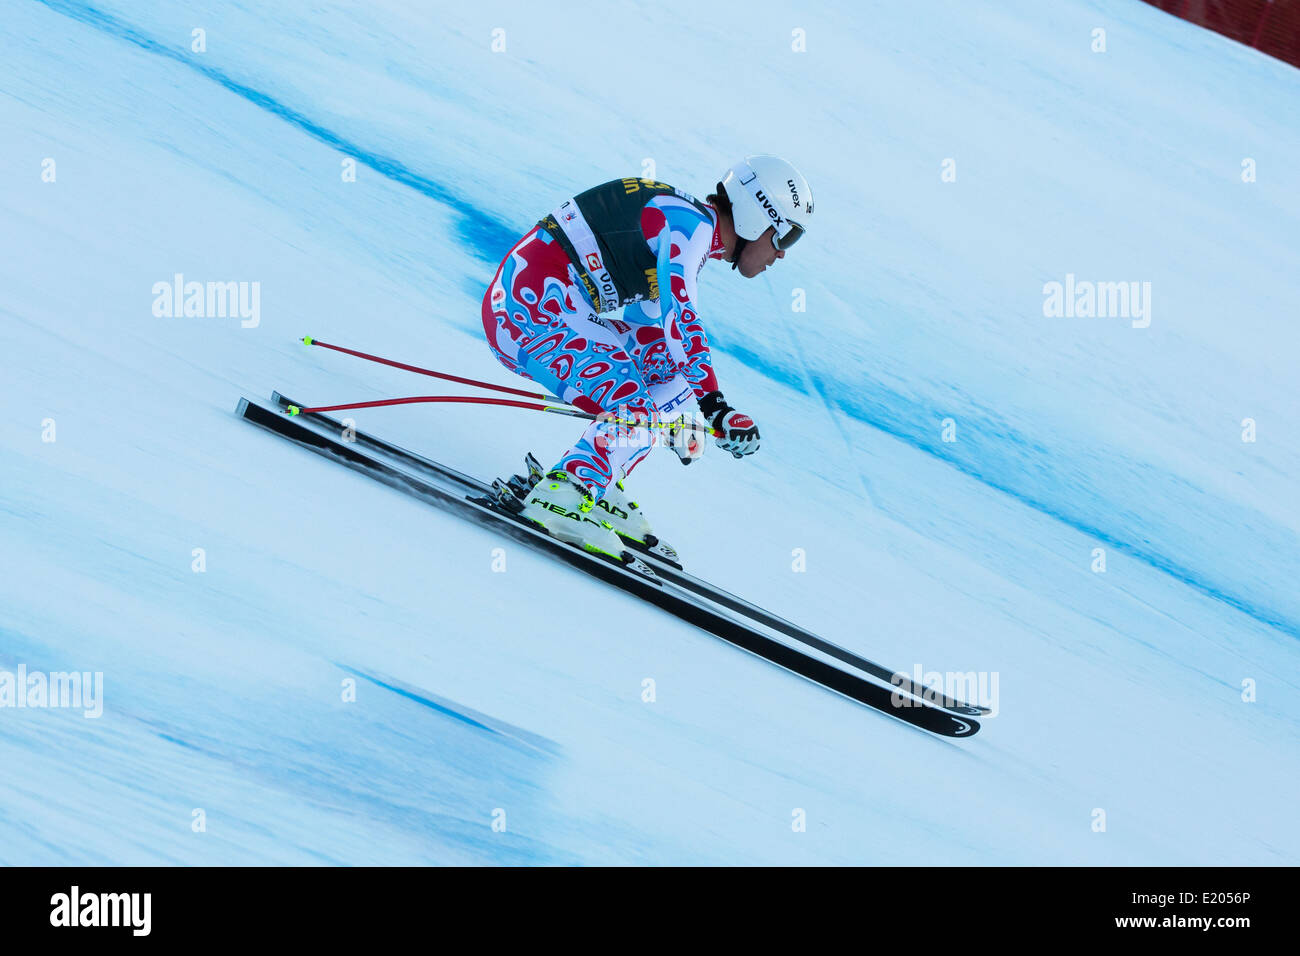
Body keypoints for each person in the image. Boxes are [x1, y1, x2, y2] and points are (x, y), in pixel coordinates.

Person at [480, 155, 814, 561]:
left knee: (668, 372)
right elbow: (681, 318)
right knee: (636, 406)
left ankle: (595, 480)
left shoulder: (684, 225)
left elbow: (659, 338)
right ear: (755, 218)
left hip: (534, 310)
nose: (780, 255)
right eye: (785, 238)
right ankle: (566, 493)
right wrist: (715, 407)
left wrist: (673, 423)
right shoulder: (689, 229)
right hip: (528, 314)